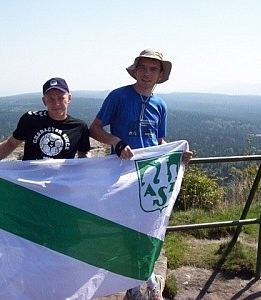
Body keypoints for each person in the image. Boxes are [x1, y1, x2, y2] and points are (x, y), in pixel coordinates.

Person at [89, 49, 192, 300]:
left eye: (153, 69)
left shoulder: (160, 105)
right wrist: (116, 142)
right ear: (135, 70)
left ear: (160, 75)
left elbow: (159, 140)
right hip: (123, 174)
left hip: (151, 176)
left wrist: (176, 155)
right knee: (127, 230)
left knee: (150, 229)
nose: (147, 74)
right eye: (142, 68)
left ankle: (144, 279)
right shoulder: (119, 96)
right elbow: (94, 128)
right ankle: (140, 283)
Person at [0, 77, 91, 163]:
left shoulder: (79, 127)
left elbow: (83, 153)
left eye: (60, 98)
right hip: (30, 184)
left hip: (62, 185)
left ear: (69, 98)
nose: (56, 103)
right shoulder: (30, 119)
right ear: (44, 101)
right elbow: (11, 144)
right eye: (50, 99)